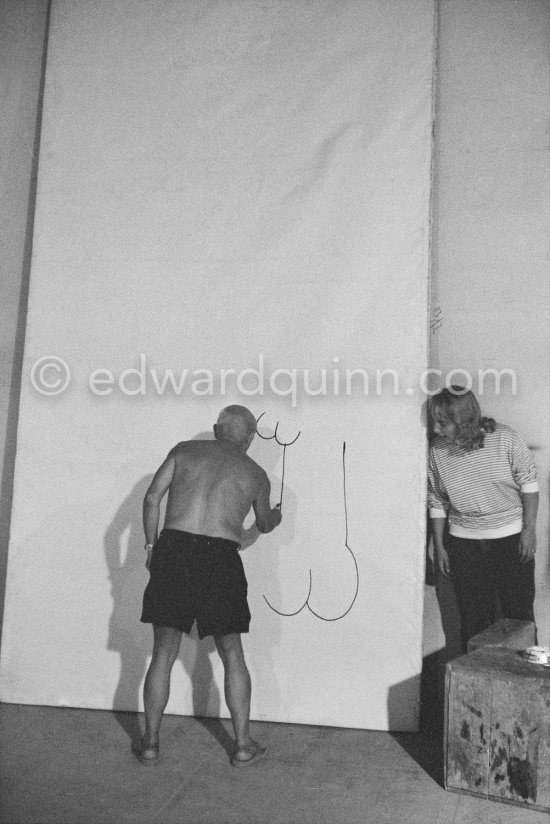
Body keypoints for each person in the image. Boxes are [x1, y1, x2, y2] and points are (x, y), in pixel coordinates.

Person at [137, 405, 282, 767]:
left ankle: (151, 744)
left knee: (163, 653)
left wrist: (152, 546)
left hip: (173, 549)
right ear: (249, 438)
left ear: (217, 429)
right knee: (232, 653)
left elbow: (153, 497)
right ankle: (243, 745)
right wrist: (274, 517)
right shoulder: (255, 473)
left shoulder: (184, 450)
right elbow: (263, 524)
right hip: (220, 557)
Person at [428, 386, 538, 649]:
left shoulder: (505, 439)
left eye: (443, 423)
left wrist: (529, 531)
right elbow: (437, 500)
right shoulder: (437, 451)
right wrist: (440, 546)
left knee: (518, 618)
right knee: (473, 621)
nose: (436, 429)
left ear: (462, 420)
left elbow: (529, 484)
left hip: (510, 541)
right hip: (464, 545)